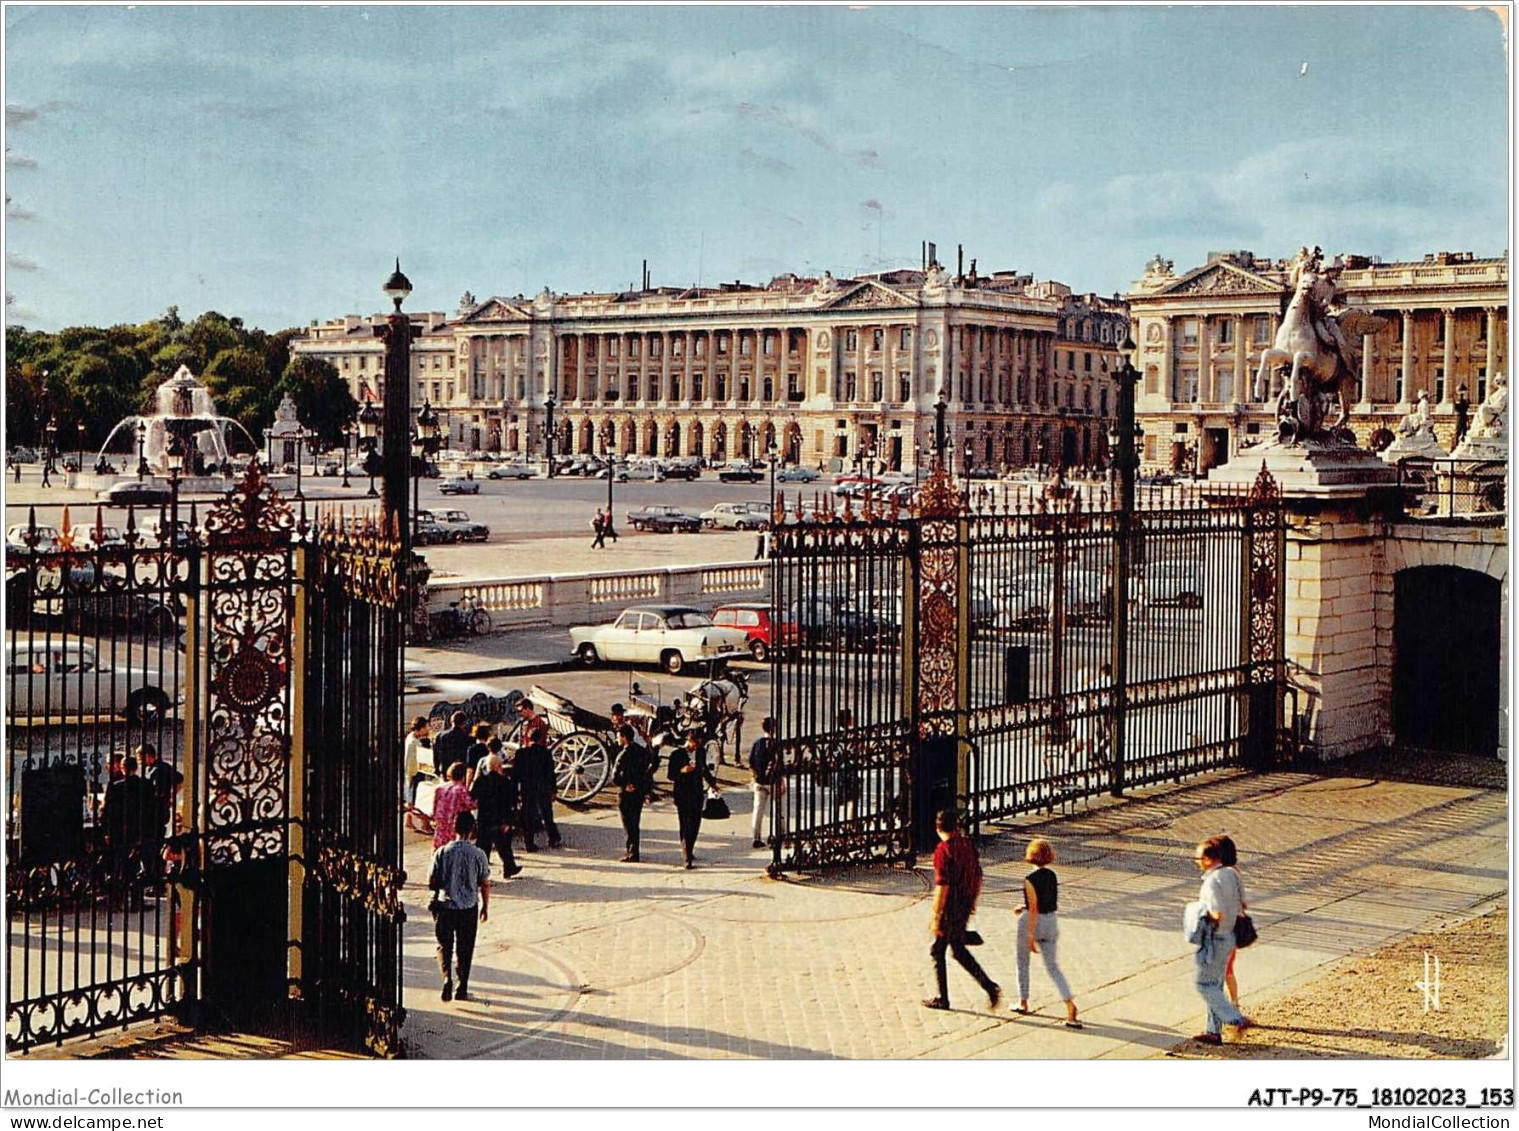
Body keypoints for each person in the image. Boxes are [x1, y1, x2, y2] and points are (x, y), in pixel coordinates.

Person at [923, 808, 1000, 1011]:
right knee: (956, 948)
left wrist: (936, 915)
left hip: (950, 905)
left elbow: (942, 886)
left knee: (938, 950)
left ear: (938, 827)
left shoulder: (943, 850)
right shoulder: (967, 845)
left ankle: (944, 998)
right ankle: (988, 986)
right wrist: (973, 900)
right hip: (965, 902)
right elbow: (978, 875)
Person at [1186, 834, 1250, 1045]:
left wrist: (1203, 917)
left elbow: (1217, 911)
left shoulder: (1212, 882)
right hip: (1231, 936)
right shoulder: (1233, 874)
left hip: (1217, 938)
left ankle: (1234, 1019)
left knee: (1206, 984)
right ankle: (1213, 1030)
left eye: (1198, 859)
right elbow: (1243, 903)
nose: (1196, 863)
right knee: (1216, 982)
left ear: (1208, 859)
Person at [1014, 839, 1080, 1027]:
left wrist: (1029, 935)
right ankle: (1069, 1004)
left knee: (1022, 963)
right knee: (1053, 967)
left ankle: (1023, 1001)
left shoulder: (1030, 879)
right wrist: (1023, 907)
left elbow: (1034, 908)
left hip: (1032, 922)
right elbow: (1045, 901)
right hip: (1051, 921)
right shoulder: (1052, 875)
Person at [428, 810, 490, 1003]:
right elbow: (485, 882)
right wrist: (485, 906)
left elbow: (431, 881)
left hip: (445, 906)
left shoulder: (442, 852)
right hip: (468, 908)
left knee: (444, 946)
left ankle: (446, 978)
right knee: (465, 948)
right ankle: (461, 987)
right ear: (472, 829)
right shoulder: (478, 854)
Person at [101, 754, 157, 898]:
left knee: (122, 862)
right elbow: (152, 808)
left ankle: (121, 895)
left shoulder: (116, 787)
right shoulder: (147, 784)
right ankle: (137, 897)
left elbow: (108, 811)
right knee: (138, 862)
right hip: (142, 828)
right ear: (136, 768)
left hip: (122, 830)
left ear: (122, 768)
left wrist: (107, 831)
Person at [514, 698, 561, 850]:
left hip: (528, 788)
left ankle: (529, 843)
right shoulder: (545, 753)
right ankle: (553, 838)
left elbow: (517, 774)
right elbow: (550, 773)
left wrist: (516, 791)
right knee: (547, 814)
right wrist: (554, 790)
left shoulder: (521, 753)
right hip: (543, 787)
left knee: (528, 815)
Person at [469, 750, 522, 880]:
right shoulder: (505, 782)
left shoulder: (480, 781)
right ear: (499, 766)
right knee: (504, 847)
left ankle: (481, 874)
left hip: (484, 819)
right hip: (500, 820)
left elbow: (472, 797)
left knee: (483, 848)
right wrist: (509, 821)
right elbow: (512, 803)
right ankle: (509, 868)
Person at [667, 729, 716, 869]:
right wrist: (682, 771)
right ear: (688, 740)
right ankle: (686, 856)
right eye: (694, 743)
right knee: (685, 824)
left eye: (699, 743)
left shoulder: (700, 752)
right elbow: (670, 775)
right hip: (682, 794)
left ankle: (690, 848)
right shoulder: (676, 755)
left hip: (697, 793)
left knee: (695, 824)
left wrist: (713, 783)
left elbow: (704, 769)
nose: (696, 746)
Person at [612, 724, 653, 862]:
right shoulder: (642, 751)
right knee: (635, 823)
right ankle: (634, 851)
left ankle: (631, 852)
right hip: (639, 791)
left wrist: (625, 784)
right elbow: (647, 773)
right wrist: (646, 790)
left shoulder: (623, 754)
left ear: (624, 737)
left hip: (626, 793)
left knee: (628, 824)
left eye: (618, 736)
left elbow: (615, 777)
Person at [749, 715, 785, 849]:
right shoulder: (776, 744)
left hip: (759, 781)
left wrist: (754, 777)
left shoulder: (757, 744)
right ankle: (780, 835)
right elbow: (779, 764)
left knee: (758, 810)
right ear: (774, 729)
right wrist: (782, 781)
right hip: (773, 780)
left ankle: (756, 837)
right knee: (778, 810)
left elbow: (751, 763)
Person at [430, 762, 477, 851]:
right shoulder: (460, 790)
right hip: (453, 823)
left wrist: (434, 818)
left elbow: (435, 805)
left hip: (441, 822)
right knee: (451, 849)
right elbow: (471, 805)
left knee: (438, 848)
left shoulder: (440, 788)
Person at [431, 712, 471, 785]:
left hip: (445, 770)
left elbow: (435, 755)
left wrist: (436, 769)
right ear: (464, 723)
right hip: (461, 772)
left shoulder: (439, 736)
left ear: (451, 721)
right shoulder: (467, 738)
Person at [404, 715, 434, 806]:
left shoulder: (412, 738)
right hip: (415, 773)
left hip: (414, 772)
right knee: (413, 796)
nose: (427, 730)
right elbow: (411, 761)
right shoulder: (413, 743)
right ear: (421, 728)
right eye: (426, 728)